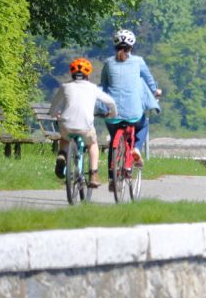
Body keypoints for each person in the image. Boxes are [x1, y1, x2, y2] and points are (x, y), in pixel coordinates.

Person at [99, 29, 161, 191]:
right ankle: (136, 149)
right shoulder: (139, 61)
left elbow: (103, 86)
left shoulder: (107, 62)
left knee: (114, 139)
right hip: (133, 113)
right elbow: (150, 81)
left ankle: (112, 179)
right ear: (131, 47)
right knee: (144, 124)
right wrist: (155, 91)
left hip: (112, 114)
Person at [49, 58, 118, 188]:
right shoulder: (93, 88)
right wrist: (112, 114)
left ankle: (62, 155)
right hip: (85, 127)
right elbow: (111, 102)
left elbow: (54, 106)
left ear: (71, 73)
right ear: (88, 74)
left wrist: (54, 114)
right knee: (92, 144)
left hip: (66, 125)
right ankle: (93, 174)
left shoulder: (65, 87)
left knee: (64, 138)